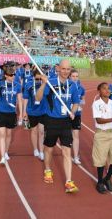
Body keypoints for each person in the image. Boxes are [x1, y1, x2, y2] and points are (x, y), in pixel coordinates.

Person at [37, 59, 80, 193]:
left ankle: (68, 181)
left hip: (66, 122)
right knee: (49, 149)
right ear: (58, 69)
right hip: (51, 120)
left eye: (68, 69)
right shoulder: (50, 82)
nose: (66, 71)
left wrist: (73, 112)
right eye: (63, 69)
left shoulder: (72, 85)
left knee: (67, 151)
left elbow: (76, 102)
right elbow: (38, 98)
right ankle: (48, 170)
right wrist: (43, 84)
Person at [0, 65, 23, 165]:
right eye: (10, 75)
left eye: (13, 74)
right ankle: (2, 157)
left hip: (12, 113)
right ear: (6, 75)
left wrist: (21, 114)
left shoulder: (17, 85)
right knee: (2, 135)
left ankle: (5, 152)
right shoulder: (0, 84)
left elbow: (20, 101)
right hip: (1, 112)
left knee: (9, 135)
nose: (12, 76)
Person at [23, 69, 49, 161]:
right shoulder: (29, 85)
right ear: (33, 77)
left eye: (40, 79)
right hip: (32, 111)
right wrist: (24, 111)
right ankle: (35, 149)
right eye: (36, 79)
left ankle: (41, 151)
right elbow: (25, 98)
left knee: (41, 131)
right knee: (34, 130)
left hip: (43, 110)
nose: (38, 81)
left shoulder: (46, 84)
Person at [69, 69, 86, 165]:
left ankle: (75, 156)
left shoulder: (81, 88)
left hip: (77, 114)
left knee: (76, 135)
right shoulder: (66, 86)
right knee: (66, 135)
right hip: (66, 114)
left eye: (76, 76)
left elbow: (83, 101)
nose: (75, 78)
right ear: (69, 77)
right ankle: (67, 154)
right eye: (73, 76)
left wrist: (79, 104)